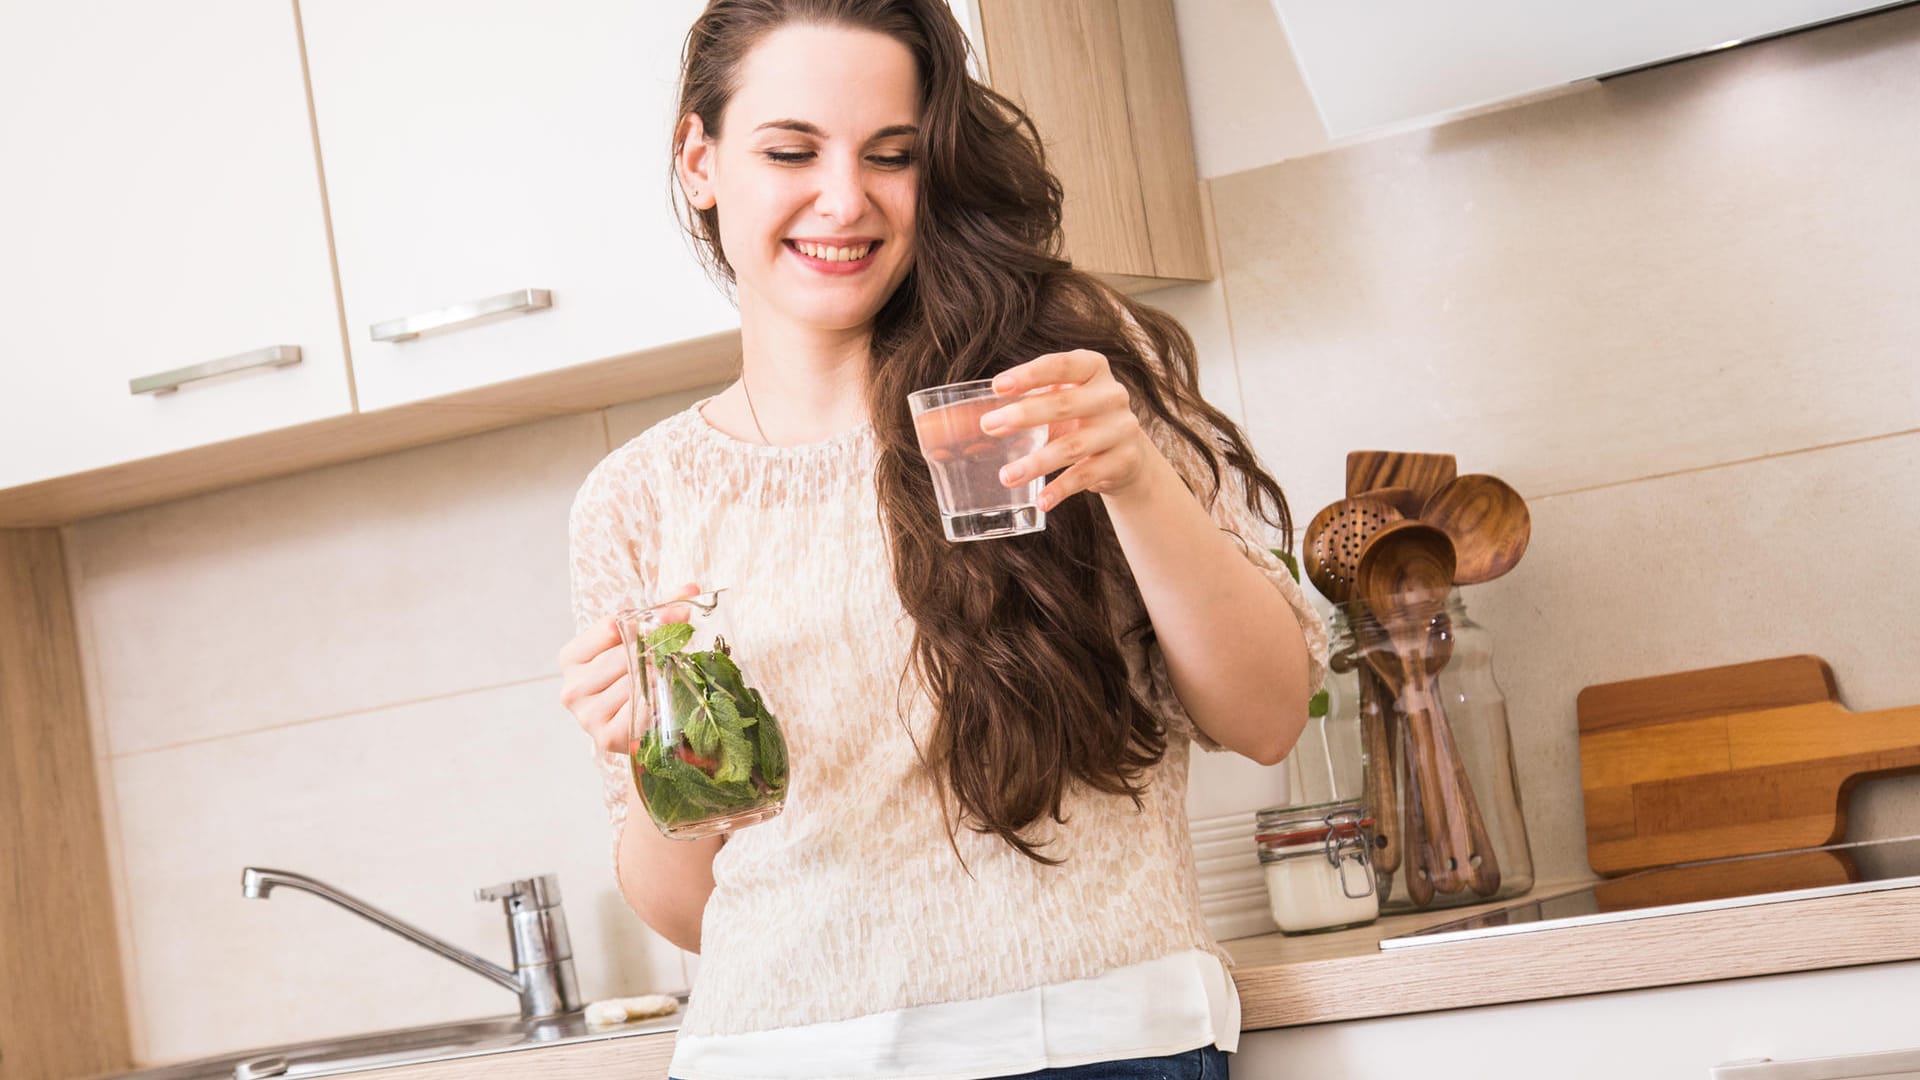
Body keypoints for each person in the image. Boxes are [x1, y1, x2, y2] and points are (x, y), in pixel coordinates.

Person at [556, 2, 1328, 1077]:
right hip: (781, 1055)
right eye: (790, 150)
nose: (844, 199)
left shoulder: (1054, 386)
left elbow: (1268, 714)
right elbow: (690, 914)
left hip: (1094, 1045)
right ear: (701, 159)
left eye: (892, 155)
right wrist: (658, 760)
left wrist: (1137, 479)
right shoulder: (637, 497)